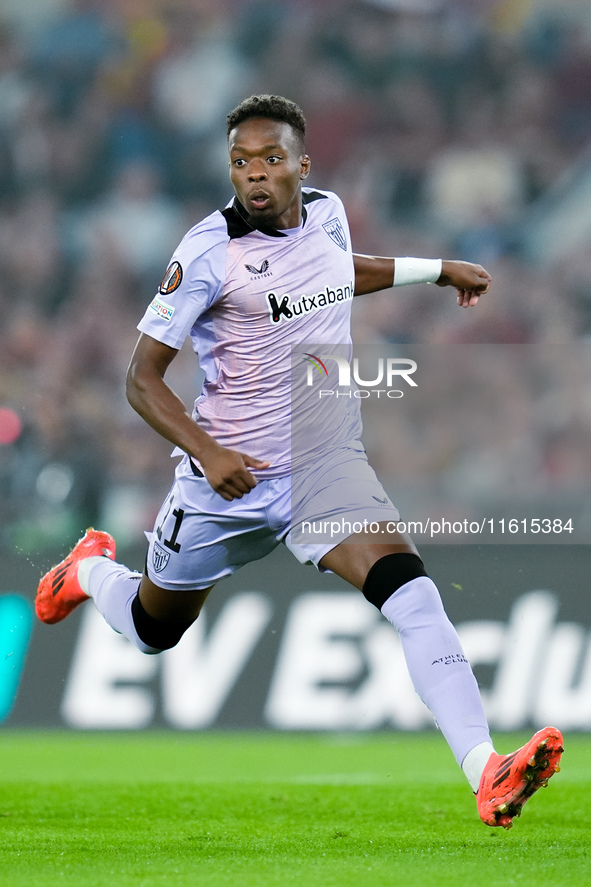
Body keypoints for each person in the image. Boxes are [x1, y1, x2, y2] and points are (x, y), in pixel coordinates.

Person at [36, 94, 562, 829]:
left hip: (322, 466)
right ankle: (88, 570)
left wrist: (436, 269)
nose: (254, 176)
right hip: (226, 479)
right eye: (240, 163)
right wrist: (208, 451)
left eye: (270, 160)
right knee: (155, 629)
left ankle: (486, 771)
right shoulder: (206, 251)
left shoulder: (329, 213)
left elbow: (337, 272)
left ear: (301, 165)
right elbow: (140, 378)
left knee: (412, 598)